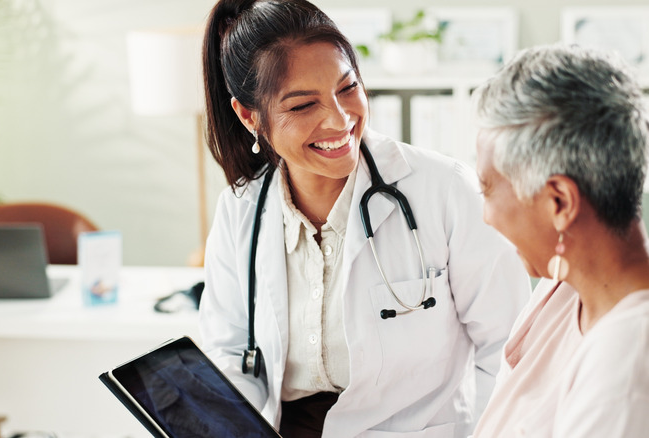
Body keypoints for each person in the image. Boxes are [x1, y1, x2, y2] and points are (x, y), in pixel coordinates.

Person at [197, 1, 531, 437]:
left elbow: (511, 348)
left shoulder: (445, 191)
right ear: (249, 115)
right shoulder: (240, 209)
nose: (339, 119)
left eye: (347, 88)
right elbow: (229, 352)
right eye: (302, 106)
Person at [470, 44, 649, 437]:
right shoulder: (571, 279)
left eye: (487, 188)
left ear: (559, 202)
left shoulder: (634, 379)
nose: (486, 215)